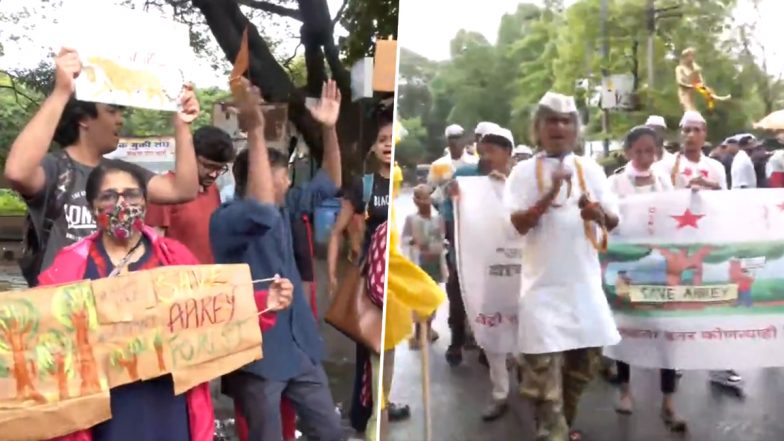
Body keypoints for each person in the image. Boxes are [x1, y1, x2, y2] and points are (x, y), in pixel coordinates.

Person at [40, 159, 293, 441]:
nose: (122, 204)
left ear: (146, 203)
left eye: (132, 194)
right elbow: (40, 338)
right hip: (100, 410)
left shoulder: (173, 258)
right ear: (92, 206)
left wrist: (262, 302)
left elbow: (212, 313)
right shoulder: (68, 268)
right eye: (109, 196)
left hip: (166, 400)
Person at [210, 78, 344, 441]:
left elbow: (331, 180)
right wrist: (254, 129)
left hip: (302, 347)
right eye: (280, 179)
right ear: (253, 179)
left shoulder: (287, 207)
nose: (286, 184)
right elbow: (260, 210)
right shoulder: (227, 221)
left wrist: (328, 131)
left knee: (331, 431)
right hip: (258, 357)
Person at [5, 48, 200, 287]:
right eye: (111, 111)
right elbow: (17, 172)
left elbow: (183, 190)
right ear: (83, 119)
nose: (120, 119)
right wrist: (61, 92)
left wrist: (182, 126)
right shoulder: (56, 168)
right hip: (63, 308)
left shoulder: (122, 174)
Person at [504, 92, 621, 441]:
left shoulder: (593, 170)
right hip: (541, 295)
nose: (559, 127)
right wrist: (549, 193)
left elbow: (613, 221)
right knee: (545, 390)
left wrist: (596, 213)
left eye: (566, 120)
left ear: (575, 129)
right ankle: (553, 431)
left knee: (581, 374)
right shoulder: (523, 173)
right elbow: (518, 225)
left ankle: (558, 428)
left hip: (584, 292)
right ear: (538, 128)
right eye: (551, 120)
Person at [327, 107, 408, 432]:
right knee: (371, 346)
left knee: (389, 347)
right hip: (370, 280)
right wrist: (333, 275)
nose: (388, 144)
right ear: (373, 148)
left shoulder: (405, 186)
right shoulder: (365, 185)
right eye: (382, 140)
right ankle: (366, 414)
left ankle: (382, 405)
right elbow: (336, 231)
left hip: (398, 276)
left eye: (393, 139)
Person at [606, 126, 685, 431]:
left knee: (666, 333)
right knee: (625, 327)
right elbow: (608, 222)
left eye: (649, 151)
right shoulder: (614, 183)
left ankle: (668, 401)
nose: (643, 157)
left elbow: (674, 214)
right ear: (627, 153)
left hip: (659, 265)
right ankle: (626, 392)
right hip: (625, 265)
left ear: (656, 152)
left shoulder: (664, 180)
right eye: (637, 151)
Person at [454, 126, 518, 421]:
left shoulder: (524, 184)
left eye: (492, 151)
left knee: (527, 332)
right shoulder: (473, 187)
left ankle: (534, 390)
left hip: (524, 274)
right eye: (482, 152)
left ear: (509, 153)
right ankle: (500, 393)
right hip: (492, 273)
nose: (486, 157)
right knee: (493, 330)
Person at [145, 126, 235, 262]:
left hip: (210, 278)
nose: (213, 174)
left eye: (219, 168)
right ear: (190, 157)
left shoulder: (213, 190)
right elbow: (155, 247)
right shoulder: (165, 192)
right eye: (208, 166)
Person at [401, 184, 445, 349]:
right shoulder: (411, 220)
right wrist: (413, 243)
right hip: (419, 265)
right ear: (415, 201)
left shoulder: (438, 219)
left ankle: (429, 327)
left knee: (432, 298)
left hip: (434, 264)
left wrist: (440, 247)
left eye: (427, 197)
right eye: (421, 198)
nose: (425, 201)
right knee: (419, 299)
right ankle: (419, 330)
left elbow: (442, 238)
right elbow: (404, 240)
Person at [656, 111, 726, 191]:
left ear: (705, 134)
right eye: (687, 130)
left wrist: (712, 186)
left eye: (697, 130)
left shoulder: (716, 167)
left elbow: (724, 199)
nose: (691, 135)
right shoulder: (666, 166)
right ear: (680, 134)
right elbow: (663, 198)